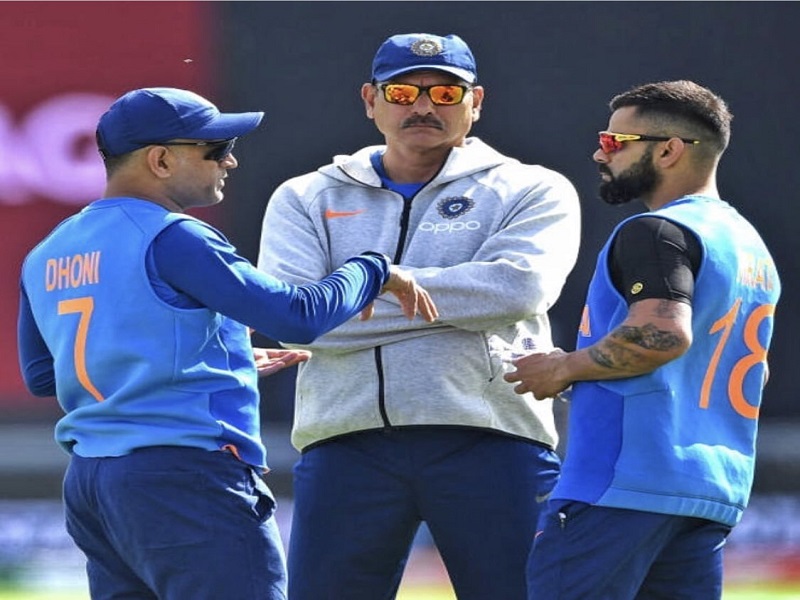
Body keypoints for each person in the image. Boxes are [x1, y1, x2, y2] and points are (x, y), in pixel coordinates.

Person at [17, 87, 437, 600]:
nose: (230, 161)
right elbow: (296, 315)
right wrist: (371, 268)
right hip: (185, 472)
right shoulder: (174, 236)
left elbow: (45, 375)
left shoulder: (49, 249)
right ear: (161, 160)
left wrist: (203, 358)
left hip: (93, 484)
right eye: (216, 149)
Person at [257, 33, 581, 600]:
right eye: (403, 92)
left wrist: (355, 290)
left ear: (475, 102)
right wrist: (457, 304)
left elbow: (518, 290)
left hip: (491, 438)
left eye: (446, 93)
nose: (424, 106)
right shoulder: (305, 195)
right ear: (371, 100)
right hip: (346, 443)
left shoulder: (532, 187)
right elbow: (294, 315)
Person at [504, 80, 781, 599]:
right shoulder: (749, 246)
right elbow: (753, 369)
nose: (599, 154)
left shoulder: (656, 231)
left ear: (669, 150)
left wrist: (563, 368)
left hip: (622, 485)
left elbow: (662, 334)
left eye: (614, 142)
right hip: (709, 492)